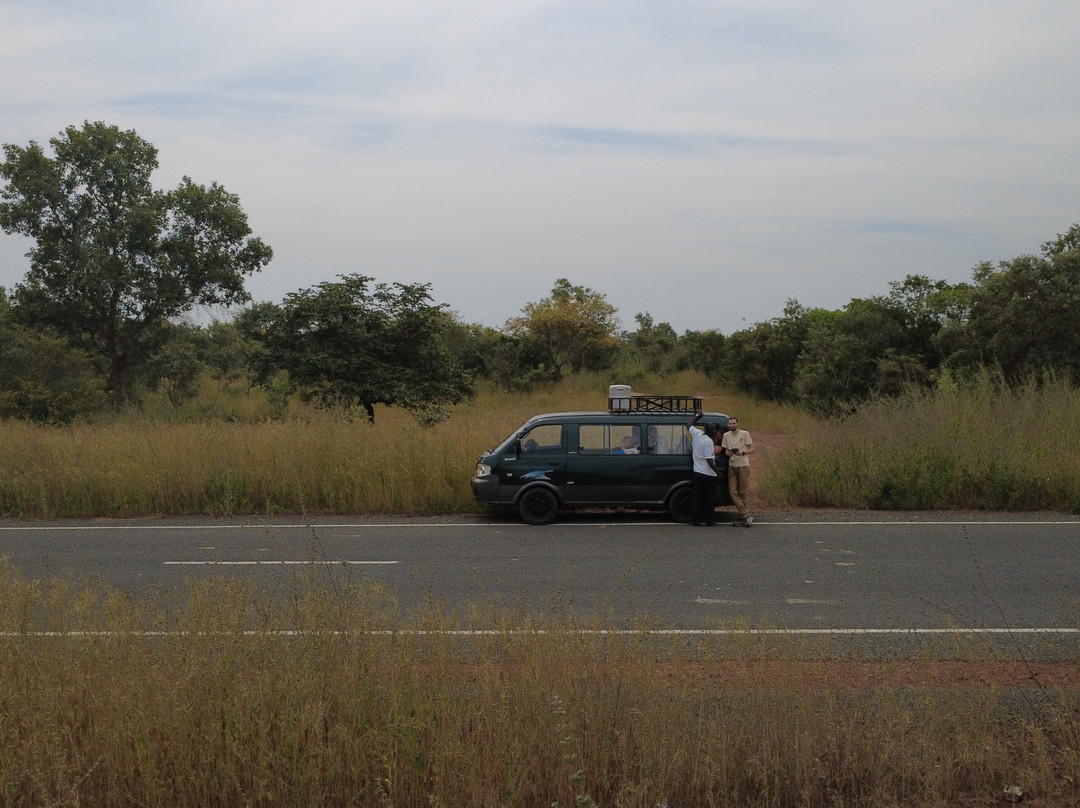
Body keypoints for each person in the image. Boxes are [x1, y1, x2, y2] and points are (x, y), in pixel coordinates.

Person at [720, 415, 755, 526]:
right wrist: (728, 453)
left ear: (737, 423)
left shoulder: (744, 434)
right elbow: (725, 451)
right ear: (727, 424)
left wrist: (743, 452)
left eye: (734, 423)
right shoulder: (726, 435)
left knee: (742, 491)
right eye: (730, 424)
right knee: (732, 491)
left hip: (743, 464)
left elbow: (752, 448)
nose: (732, 425)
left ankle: (742, 516)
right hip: (732, 465)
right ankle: (745, 515)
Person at [687, 410, 719, 526]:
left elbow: (689, 424)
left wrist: (697, 416)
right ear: (712, 431)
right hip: (709, 474)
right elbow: (710, 460)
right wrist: (718, 473)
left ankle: (696, 520)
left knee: (697, 497)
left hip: (697, 472)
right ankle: (709, 520)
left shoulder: (697, 434)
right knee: (709, 499)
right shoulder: (708, 442)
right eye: (713, 430)